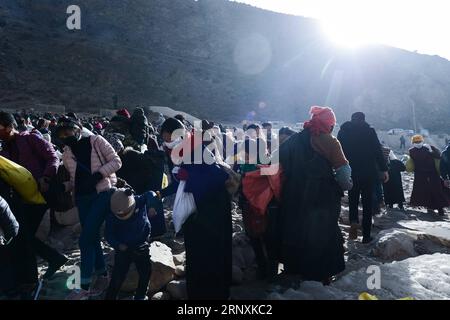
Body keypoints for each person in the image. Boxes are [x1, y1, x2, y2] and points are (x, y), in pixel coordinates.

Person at [159, 118, 233, 299]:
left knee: (211, 254)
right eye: (165, 138)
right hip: (195, 212)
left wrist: (189, 177)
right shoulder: (176, 152)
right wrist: (163, 191)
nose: (166, 141)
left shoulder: (197, 147)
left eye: (168, 136)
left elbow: (217, 176)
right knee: (196, 253)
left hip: (212, 211)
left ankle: (215, 293)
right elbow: (180, 180)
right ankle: (198, 291)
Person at [280, 106, 352, 283]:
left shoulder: (294, 140)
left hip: (293, 194)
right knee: (322, 234)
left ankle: (293, 267)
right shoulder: (330, 141)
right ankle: (320, 273)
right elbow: (343, 173)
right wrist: (347, 185)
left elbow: (276, 163)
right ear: (329, 124)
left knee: (297, 230)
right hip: (321, 198)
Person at [0, 112, 68, 294]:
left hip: (42, 194)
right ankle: (52, 260)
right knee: (22, 235)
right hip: (23, 197)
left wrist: (46, 177)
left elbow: (53, 157)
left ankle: (32, 278)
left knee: (23, 236)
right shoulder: (4, 149)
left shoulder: (30, 139)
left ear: (8, 126)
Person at [55, 117, 122, 300]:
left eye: (69, 131)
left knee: (85, 240)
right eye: (62, 133)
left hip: (101, 194)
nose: (67, 135)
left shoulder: (96, 141)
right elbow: (75, 178)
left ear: (79, 128)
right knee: (91, 238)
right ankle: (102, 275)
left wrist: (99, 174)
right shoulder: (67, 152)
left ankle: (83, 286)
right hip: (82, 198)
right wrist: (65, 186)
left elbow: (116, 161)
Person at [338, 112, 389, 243]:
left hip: (351, 171)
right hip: (368, 172)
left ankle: (353, 221)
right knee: (367, 204)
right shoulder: (369, 131)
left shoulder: (343, 131)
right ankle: (366, 235)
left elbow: (339, 150)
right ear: (363, 119)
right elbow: (377, 150)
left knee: (353, 200)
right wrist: (384, 170)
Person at [105, 188, 161, 300]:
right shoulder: (112, 214)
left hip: (141, 244)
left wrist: (151, 206)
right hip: (123, 248)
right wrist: (118, 245)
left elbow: (151, 194)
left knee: (145, 272)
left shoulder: (139, 200)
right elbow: (108, 235)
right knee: (118, 276)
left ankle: (140, 295)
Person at [409, 135, 448, 216]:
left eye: (419, 141)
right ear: (413, 143)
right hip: (421, 174)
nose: (418, 143)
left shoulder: (428, 147)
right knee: (426, 191)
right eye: (416, 142)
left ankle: (440, 209)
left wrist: (431, 151)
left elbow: (438, 155)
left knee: (436, 190)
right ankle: (431, 207)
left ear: (422, 141)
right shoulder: (412, 151)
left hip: (432, 173)